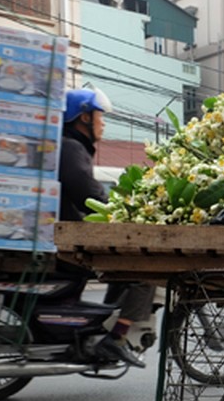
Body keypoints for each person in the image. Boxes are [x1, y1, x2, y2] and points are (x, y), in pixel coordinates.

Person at [59, 87, 155, 368]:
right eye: (100, 116)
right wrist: (120, 211)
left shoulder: (70, 147)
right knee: (145, 272)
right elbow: (88, 194)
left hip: (70, 234)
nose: (104, 123)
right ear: (84, 118)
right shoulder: (71, 148)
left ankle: (101, 328)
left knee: (122, 268)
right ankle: (115, 337)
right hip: (71, 240)